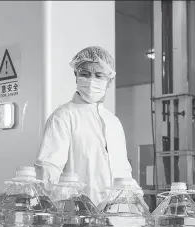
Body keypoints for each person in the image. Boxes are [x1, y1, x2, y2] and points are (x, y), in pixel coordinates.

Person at [35, 46, 141, 205]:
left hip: (116, 215)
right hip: (77, 216)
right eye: (85, 74)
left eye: (98, 75)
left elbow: (123, 171)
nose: (91, 81)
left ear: (109, 80)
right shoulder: (63, 117)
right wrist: (74, 205)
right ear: (76, 75)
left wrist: (137, 197)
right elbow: (47, 173)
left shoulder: (114, 122)